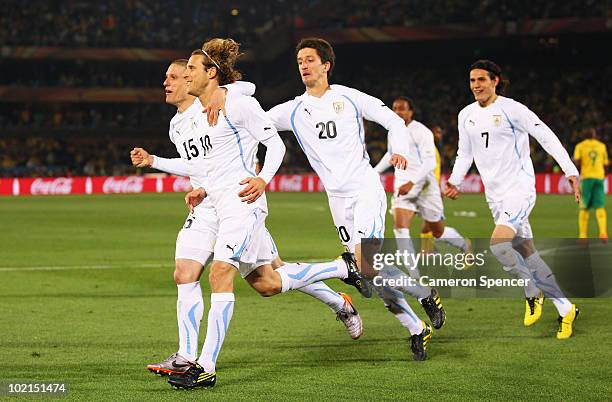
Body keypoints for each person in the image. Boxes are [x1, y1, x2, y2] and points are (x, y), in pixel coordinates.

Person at [130, 60, 363, 378]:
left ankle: (205, 366)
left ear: (200, 76)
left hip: (241, 202)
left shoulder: (224, 102)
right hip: (209, 205)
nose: (170, 81)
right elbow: (201, 163)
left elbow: (246, 95)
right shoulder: (179, 124)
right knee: (195, 274)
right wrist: (163, 164)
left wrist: (225, 93)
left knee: (254, 278)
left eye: (179, 74)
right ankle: (186, 355)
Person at [214, 38, 442, 360]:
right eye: (299, 61)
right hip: (337, 200)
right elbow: (253, 123)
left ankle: (424, 294)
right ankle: (417, 328)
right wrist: (226, 99)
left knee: (365, 263)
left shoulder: (348, 98)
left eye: (309, 59)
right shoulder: (293, 110)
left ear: (326, 65)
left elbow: (393, 120)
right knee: (370, 271)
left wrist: (400, 150)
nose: (304, 65)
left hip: (365, 190)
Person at [444, 59, 581, 339]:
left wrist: (570, 170)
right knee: (528, 253)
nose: (476, 86)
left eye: (481, 80)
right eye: (472, 81)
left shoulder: (512, 109)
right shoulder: (465, 115)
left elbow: (545, 135)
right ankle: (566, 309)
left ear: (495, 81)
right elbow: (464, 152)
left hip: (519, 190)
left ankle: (531, 291)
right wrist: (455, 181)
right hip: (494, 196)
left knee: (498, 245)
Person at [374, 97, 471, 286]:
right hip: (402, 187)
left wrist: (412, 182)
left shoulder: (421, 132)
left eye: (402, 109)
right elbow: (390, 154)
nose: (397, 112)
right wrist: (374, 172)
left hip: (425, 187)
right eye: (394, 108)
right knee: (400, 228)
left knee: (438, 232)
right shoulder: (393, 131)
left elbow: (429, 162)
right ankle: (414, 276)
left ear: (411, 112)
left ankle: (463, 244)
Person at [573, 127, 608, 243]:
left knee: (584, 207)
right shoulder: (601, 146)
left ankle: (583, 236)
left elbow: (577, 161)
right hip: (599, 178)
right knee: (600, 206)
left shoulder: (580, 146)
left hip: (587, 178)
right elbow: (606, 164)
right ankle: (603, 233)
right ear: (594, 135)